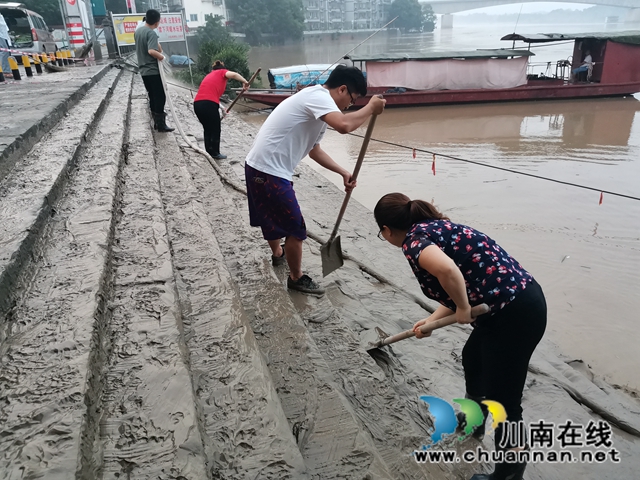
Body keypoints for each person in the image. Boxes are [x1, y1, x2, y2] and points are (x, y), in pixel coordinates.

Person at [374, 193, 547, 480]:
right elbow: (458, 284)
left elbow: (448, 271)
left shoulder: (415, 242)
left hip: (515, 313)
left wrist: (464, 308)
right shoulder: (432, 228)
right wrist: (431, 321)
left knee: (505, 401)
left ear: (387, 230)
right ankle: (474, 420)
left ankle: (510, 472)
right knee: (474, 358)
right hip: (509, 303)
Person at [245, 65, 385, 295]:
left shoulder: (317, 109)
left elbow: (314, 151)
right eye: (352, 100)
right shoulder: (317, 96)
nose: (349, 106)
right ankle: (296, 278)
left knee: (269, 217)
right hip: (269, 171)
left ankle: (278, 254)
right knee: (296, 230)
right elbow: (344, 125)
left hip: (259, 167)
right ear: (342, 89)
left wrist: (343, 172)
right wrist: (371, 107)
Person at [193, 60, 249, 159]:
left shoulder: (209, 75)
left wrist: (223, 108)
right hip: (208, 104)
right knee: (215, 128)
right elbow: (234, 74)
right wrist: (245, 82)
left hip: (198, 104)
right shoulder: (222, 72)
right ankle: (215, 153)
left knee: (208, 128)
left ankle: (210, 151)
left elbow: (210, 96)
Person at [134, 9, 174, 132]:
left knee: (152, 95)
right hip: (153, 70)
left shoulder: (138, 31)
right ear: (157, 22)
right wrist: (162, 57)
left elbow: (156, 47)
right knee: (160, 96)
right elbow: (151, 51)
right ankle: (160, 124)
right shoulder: (150, 33)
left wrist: (157, 43)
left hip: (144, 70)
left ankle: (156, 122)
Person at [0, 13, 12, 78]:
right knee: (4, 52)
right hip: (1, 35)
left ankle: (6, 70)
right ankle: (5, 71)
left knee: (5, 51)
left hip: (3, 35)